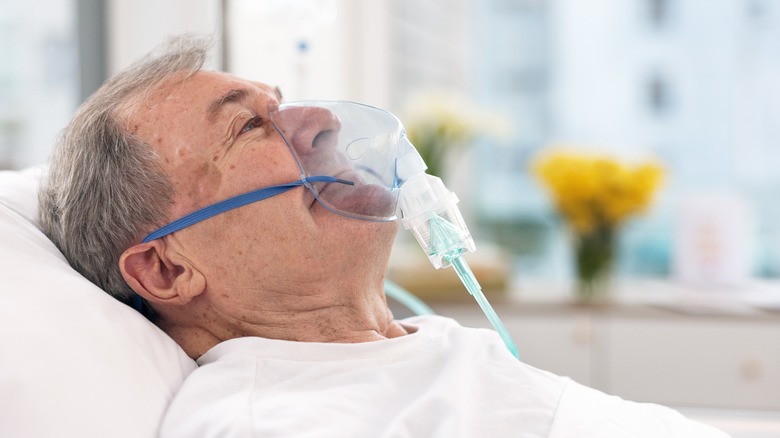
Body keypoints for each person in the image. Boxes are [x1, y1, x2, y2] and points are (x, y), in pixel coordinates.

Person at [39, 35, 728, 437]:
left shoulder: (417, 352)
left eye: (281, 105)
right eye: (249, 126)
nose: (322, 123)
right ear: (166, 270)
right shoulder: (266, 421)